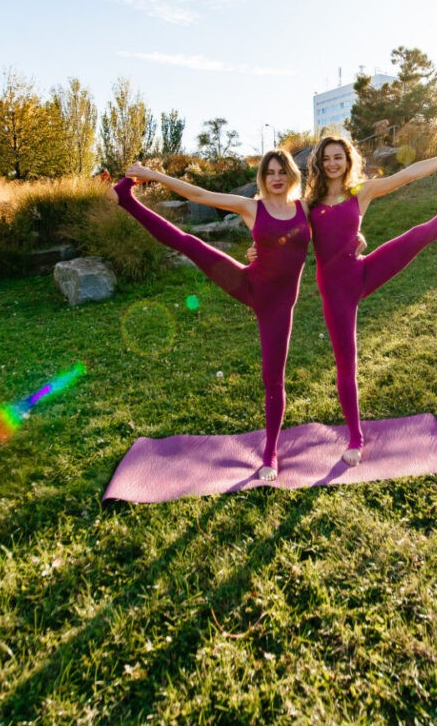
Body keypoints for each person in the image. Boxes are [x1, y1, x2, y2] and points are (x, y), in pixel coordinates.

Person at [108, 150, 310, 481]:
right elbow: (200, 195)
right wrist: (154, 175)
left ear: (291, 175)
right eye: (270, 172)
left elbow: (338, 220)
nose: (276, 177)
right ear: (262, 177)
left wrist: (356, 237)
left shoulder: (306, 209)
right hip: (248, 284)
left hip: (279, 307)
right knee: (188, 243)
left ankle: (270, 454)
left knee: (273, 378)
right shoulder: (252, 207)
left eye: (282, 171)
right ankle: (125, 199)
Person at [303, 135, 437, 466]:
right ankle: (355, 437)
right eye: (326, 158)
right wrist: (256, 250)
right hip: (335, 290)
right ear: (319, 163)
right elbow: (283, 234)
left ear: (347, 160)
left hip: (362, 271)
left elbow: (410, 173)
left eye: (338, 157)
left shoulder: (360, 192)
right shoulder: (310, 205)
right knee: (345, 363)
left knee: (420, 234)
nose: (332, 163)